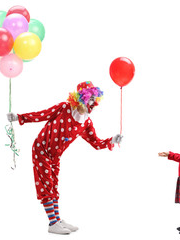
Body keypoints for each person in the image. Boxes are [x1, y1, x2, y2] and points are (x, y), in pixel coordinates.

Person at [7, 81, 123, 234]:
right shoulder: (64, 108)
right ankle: (53, 223)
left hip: (55, 156)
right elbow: (42, 114)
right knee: (46, 185)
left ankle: (57, 220)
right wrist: (18, 117)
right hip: (41, 149)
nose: (93, 104)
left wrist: (112, 140)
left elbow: (95, 142)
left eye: (95, 100)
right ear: (80, 98)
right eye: (90, 99)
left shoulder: (86, 122)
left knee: (53, 185)